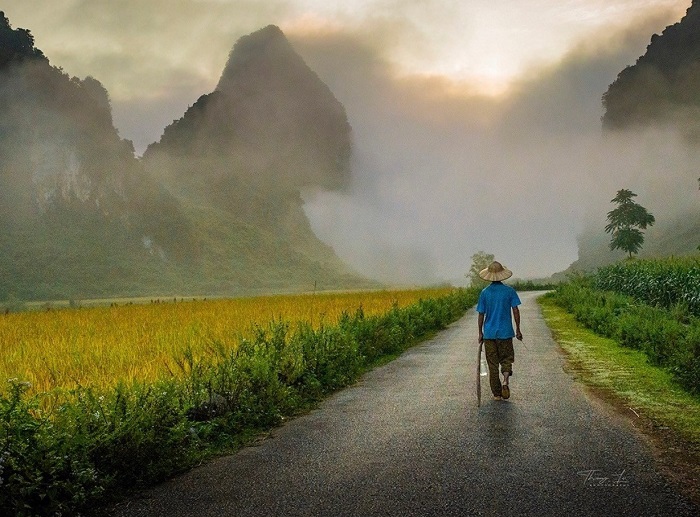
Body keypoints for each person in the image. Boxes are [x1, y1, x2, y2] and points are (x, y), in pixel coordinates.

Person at [476, 261, 523, 400]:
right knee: (507, 359)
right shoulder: (509, 291)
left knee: (493, 364)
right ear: (502, 275)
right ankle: (505, 380)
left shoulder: (484, 293)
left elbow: (481, 314)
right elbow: (515, 310)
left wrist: (480, 333)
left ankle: (497, 394)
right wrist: (518, 329)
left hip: (489, 334)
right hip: (506, 333)